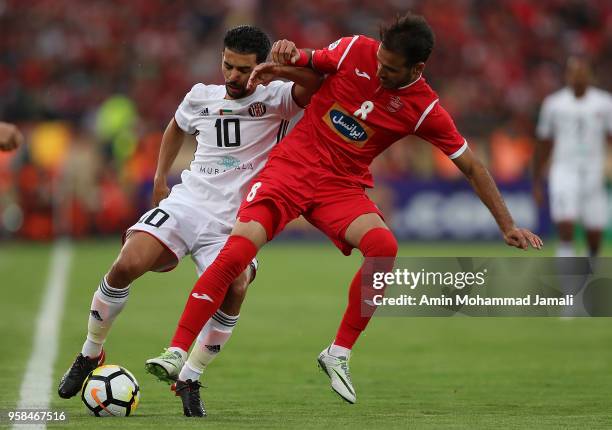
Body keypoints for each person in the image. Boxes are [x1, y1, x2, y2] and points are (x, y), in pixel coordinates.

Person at [164, 13, 543, 413]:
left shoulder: (424, 108)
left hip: (339, 188)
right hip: (291, 169)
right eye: (379, 60)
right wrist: (287, 53)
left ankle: (338, 353)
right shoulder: (353, 49)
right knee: (238, 252)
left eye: (391, 70)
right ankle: (175, 350)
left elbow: (472, 166)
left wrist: (507, 225)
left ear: (417, 69)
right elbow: (306, 62)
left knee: (384, 246)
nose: (379, 70)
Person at [56, 25, 322, 417]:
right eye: (227, 65)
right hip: (189, 203)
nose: (232, 76)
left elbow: (315, 83)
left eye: (243, 69)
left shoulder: (280, 99)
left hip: (237, 220)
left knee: (236, 286)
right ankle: (90, 353)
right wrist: (161, 178)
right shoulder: (201, 96)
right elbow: (175, 128)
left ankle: (191, 377)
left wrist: (283, 68)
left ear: (259, 68)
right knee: (127, 263)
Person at [534, 56, 612, 257]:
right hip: (564, 171)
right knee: (565, 226)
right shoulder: (554, 104)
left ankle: (588, 279)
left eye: (582, 72)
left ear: (590, 75)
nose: (578, 76)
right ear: (567, 76)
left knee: (594, 236)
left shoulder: (604, 103)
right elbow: (543, 143)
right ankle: (569, 284)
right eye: (574, 72)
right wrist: (536, 180)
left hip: (594, 174)